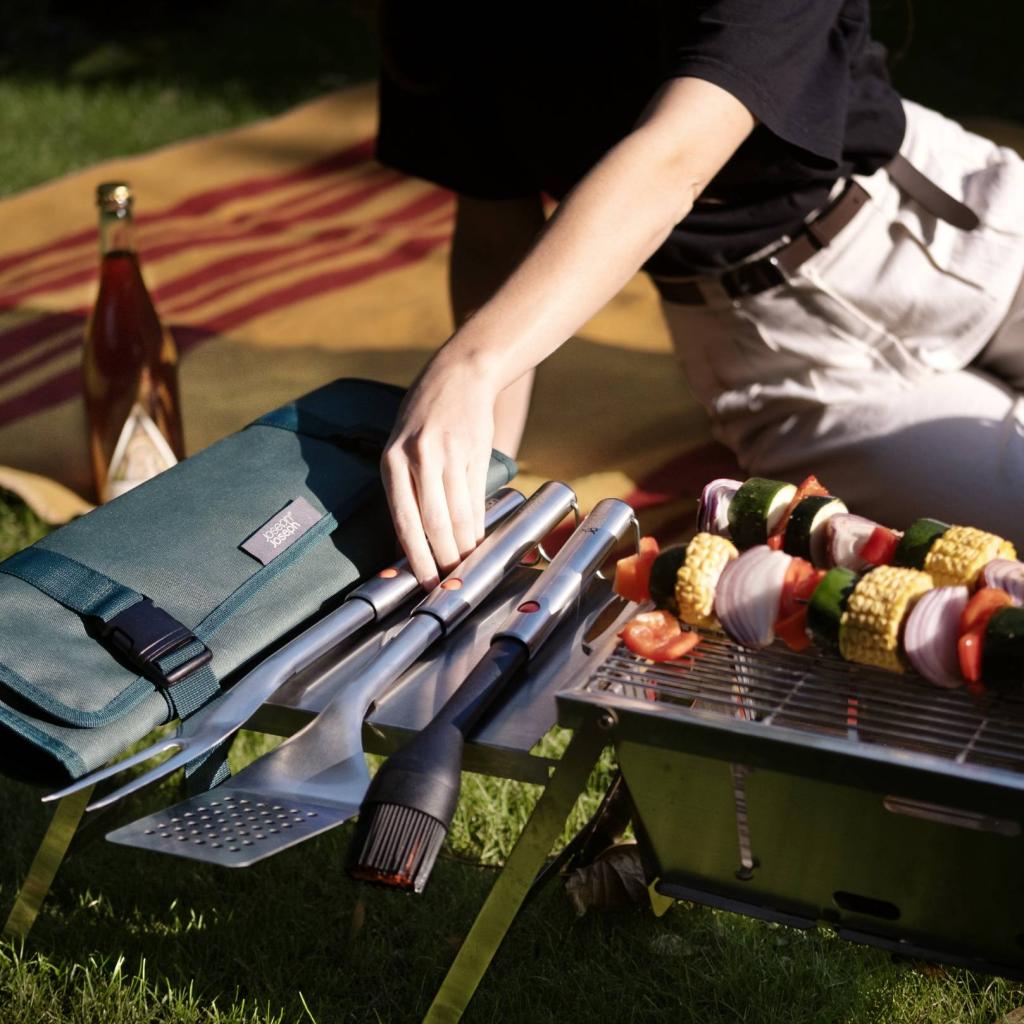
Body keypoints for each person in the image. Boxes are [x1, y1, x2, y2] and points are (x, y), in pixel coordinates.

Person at [373, 1, 1024, 588]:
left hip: (945, 227)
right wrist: (480, 479)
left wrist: (470, 365)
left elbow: (676, 158)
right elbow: (495, 232)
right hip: (781, 356)